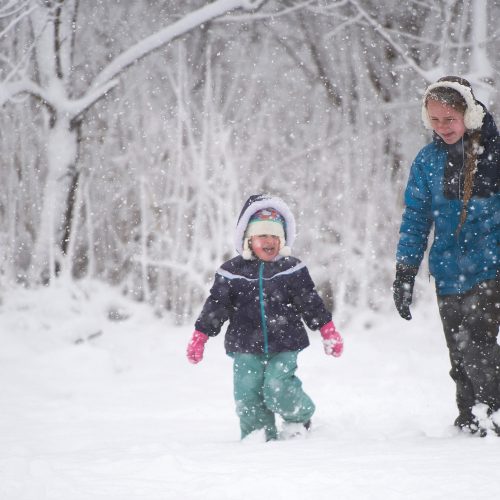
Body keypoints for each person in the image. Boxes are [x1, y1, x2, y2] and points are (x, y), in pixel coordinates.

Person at [186, 194, 343, 441]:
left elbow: (309, 301)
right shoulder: (232, 272)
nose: (269, 241)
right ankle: (257, 436)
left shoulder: (291, 268)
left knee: (276, 386)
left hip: (285, 343)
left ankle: (299, 417)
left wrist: (327, 330)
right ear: (249, 239)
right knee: (247, 393)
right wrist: (200, 335)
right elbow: (216, 305)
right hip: (245, 344)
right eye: (263, 236)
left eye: (275, 236)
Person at [393, 76, 500, 436]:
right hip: (447, 271)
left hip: (490, 268)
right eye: (435, 120)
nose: (442, 127)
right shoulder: (428, 161)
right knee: (459, 353)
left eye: (449, 119)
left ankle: (495, 412)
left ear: (467, 116)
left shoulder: (494, 154)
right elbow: (416, 217)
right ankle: (469, 416)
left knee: (478, 347)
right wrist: (405, 271)